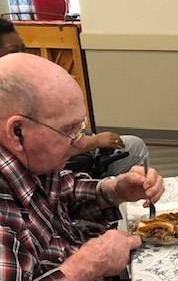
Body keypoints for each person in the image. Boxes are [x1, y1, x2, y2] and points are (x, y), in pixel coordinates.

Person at [0, 52, 164, 281]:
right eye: (68, 131)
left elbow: (62, 192)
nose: (80, 143)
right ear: (16, 132)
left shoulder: (29, 163)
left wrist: (114, 189)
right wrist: (85, 267)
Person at [0, 16, 148, 176]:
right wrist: (95, 142)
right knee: (133, 148)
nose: (24, 57)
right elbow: (45, 148)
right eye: (14, 52)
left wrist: (112, 190)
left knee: (132, 145)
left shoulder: (27, 83)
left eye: (23, 50)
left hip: (66, 160)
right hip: (63, 162)